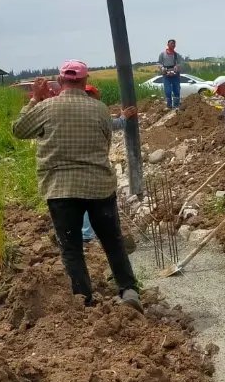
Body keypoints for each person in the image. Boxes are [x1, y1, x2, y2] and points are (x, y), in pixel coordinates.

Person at [11, 60, 142, 311]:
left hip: (61, 189)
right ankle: (128, 290)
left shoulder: (46, 108)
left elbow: (18, 130)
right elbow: (105, 142)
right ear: (85, 81)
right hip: (99, 186)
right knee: (113, 241)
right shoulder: (100, 109)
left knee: (71, 248)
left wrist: (34, 101)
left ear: (60, 81)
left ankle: (84, 299)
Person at [80, 84, 136, 243]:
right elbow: (114, 125)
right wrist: (124, 117)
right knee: (94, 200)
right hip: (93, 163)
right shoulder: (93, 111)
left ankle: (85, 233)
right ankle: (89, 234)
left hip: (75, 164)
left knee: (80, 200)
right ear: (91, 96)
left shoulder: (75, 111)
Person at [158, 38, 182, 109]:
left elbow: (180, 63)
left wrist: (177, 67)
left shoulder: (176, 55)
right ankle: (169, 106)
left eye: (174, 44)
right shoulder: (162, 54)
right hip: (166, 74)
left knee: (176, 90)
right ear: (168, 44)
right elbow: (159, 63)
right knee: (168, 91)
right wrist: (162, 68)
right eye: (171, 43)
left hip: (175, 74)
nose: (173, 45)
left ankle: (176, 106)